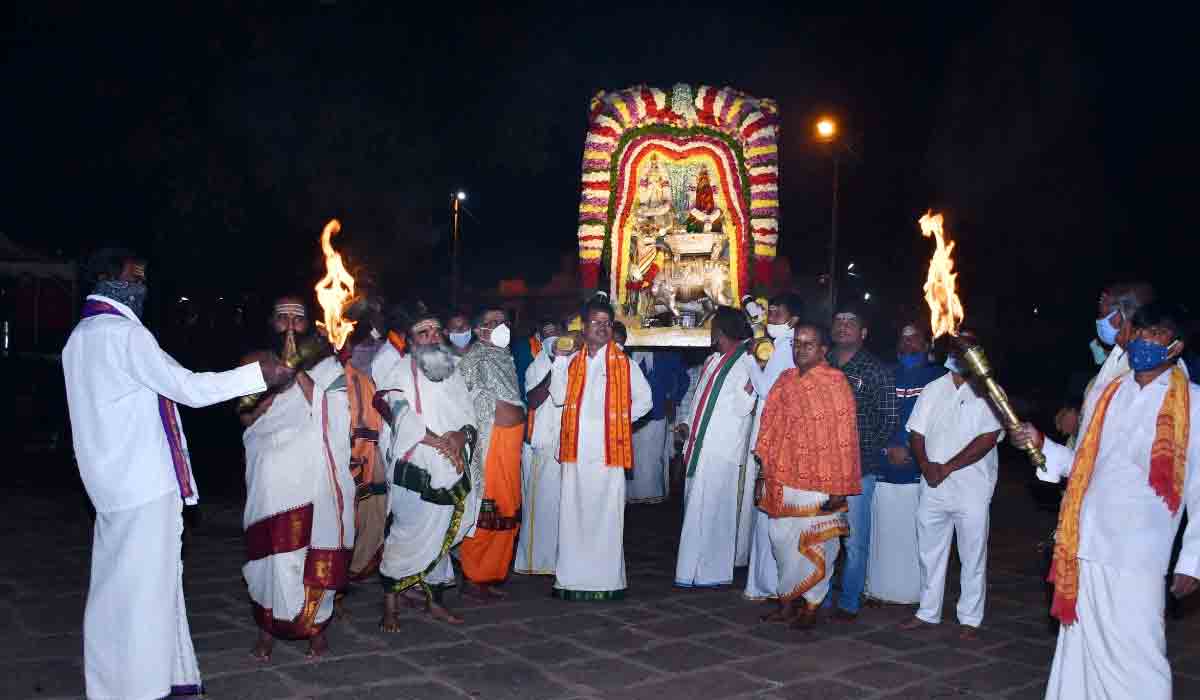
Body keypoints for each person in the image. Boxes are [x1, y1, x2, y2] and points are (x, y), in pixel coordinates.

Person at [63, 248, 291, 700]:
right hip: (142, 484)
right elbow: (188, 388)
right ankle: (141, 689)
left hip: (109, 485)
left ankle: (145, 681)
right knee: (145, 594)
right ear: (108, 278)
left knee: (126, 587)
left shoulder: (81, 337)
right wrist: (257, 376)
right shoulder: (124, 335)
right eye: (135, 278)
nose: (142, 287)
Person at [1012, 301, 1198, 700]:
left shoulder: (1193, 404)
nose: (1144, 342)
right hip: (1086, 539)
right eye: (1140, 333)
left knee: (1138, 654)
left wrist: (1192, 562)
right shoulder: (1108, 393)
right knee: (1080, 647)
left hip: (1139, 551)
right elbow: (1082, 463)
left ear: (1176, 346)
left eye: (1156, 335)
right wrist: (1041, 443)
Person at [240, 297, 355, 660]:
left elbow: (338, 413)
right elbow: (246, 417)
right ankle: (266, 629)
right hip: (271, 471)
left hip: (316, 470)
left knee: (316, 548)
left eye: (298, 318)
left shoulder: (328, 366)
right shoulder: (254, 362)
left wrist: (298, 370)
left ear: (309, 326)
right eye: (283, 318)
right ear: (271, 323)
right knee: (271, 554)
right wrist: (276, 380)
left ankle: (315, 627)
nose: (290, 324)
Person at [373, 307, 478, 627]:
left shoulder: (453, 369)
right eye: (424, 332)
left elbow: (468, 413)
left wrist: (460, 437)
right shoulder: (399, 372)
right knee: (405, 534)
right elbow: (399, 414)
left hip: (451, 462)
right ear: (410, 341)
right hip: (415, 464)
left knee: (441, 536)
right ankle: (390, 605)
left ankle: (435, 602)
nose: (433, 337)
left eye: (436, 331)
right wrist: (439, 443)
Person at [753, 324, 861, 628]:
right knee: (780, 540)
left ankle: (812, 605)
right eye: (797, 344)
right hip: (781, 475)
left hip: (821, 480)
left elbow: (845, 435)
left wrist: (840, 487)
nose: (800, 349)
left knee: (816, 543)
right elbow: (768, 426)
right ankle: (787, 601)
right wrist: (763, 472)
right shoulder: (785, 380)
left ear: (823, 349)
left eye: (808, 344)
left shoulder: (835, 382)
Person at [899, 329, 1004, 641]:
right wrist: (926, 466)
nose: (960, 352)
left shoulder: (989, 390)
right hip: (933, 485)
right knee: (929, 551)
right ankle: (927, 611)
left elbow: (988, 438)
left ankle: (970, 617)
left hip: (972, 488)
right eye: (957, 346)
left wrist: (947, 467)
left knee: (972, 554)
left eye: (967, 346)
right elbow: (916, 433)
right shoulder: (934, 388)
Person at [548, 296, 652, 599]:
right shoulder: (573, 361)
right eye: (596, 322)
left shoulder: (624, 362)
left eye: (607, 323)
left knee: (607, 515)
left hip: (609, 451)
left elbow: (645, 401)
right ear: (583, 327)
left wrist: (617, 421)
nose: (602, 328)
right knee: (572, 513)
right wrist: (559, 361)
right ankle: (570, 580)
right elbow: (558, 397)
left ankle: (606, 582)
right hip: (575, 450)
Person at [674, 307, 756, 587]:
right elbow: (699, 398)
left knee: (715, 513)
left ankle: (712, 572)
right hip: (699, 445)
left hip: (721, 450)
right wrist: (686, 423)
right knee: (695, 510)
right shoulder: (712, 360)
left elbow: (743, 408)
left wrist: (752, 382)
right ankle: (690, 570)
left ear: (720, 331)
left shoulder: (747, 361)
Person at [825, 304, 897, 621]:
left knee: (854, 540)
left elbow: (888, 419)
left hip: (858, 469)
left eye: (850, 322)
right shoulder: (821, 362)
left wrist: (860, 451)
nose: (843, 325)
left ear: (863, 333)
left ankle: (849, 602)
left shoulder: (875, 369)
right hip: (821, 467)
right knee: (822, 536)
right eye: (838, 320)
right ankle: (818, 596)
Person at [866, 323, 945, 605]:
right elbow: (871, 416)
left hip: (921, 469)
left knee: (916, 536)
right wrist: (887, 448)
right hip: (884, 467)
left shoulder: (940, 377)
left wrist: (914, 450)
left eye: (914, 338)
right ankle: (878, 589)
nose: (908, 343)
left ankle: (916, 594)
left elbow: (943, 422)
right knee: (884, 533)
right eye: (903, 338)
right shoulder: (885, 373)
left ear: (927, 344)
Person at [458, 306, 526, 601]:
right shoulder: (473, 357)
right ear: (479, 330)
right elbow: (461, 397)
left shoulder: (505, 356)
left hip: (511, 442)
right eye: (492, 322)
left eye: (503, 321)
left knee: (508, 505)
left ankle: (492, 573)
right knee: (488, 506)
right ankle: (473, 575)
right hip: (491, 442)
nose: (501, 325)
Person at [742, 292, 803, 600]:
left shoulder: (786, 346)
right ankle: (767, 582)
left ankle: (768, 584)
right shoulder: (779, 344)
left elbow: (766, 388)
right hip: (773, 429)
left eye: (779, 312)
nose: (773, 316)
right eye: (772, 311)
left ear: (793, 319)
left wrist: (750, 359)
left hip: (775, 432)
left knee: (769, 507)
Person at [515, 319, 566, 575]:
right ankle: (534, 562)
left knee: (560, 508)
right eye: (547, 335)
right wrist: (555, 366)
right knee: (540, 507)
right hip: (541, 445)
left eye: (556, 333)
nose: (552, 339)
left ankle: (558, 561)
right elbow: (534, 399)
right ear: (539, 338)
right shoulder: (537, 366)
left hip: (565, 444)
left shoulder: (573, 363)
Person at [629, 348, 690, 504]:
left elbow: (683, 379)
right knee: (632, 457)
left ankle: (652, 495)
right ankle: (631, 495)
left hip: (657, 412)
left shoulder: (667, 353)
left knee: (653, 457)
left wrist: (673, 400)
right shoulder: (627, 354)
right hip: (630, 415)